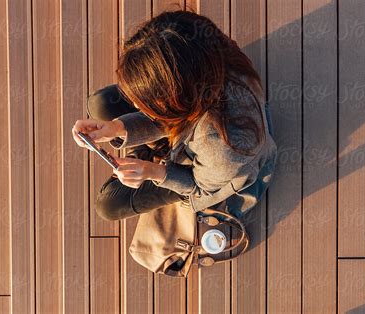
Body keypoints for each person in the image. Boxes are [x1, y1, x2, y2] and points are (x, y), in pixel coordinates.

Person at [71, 10, 278, 222]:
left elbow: (200, 188)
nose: (135, 104)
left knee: (109, 204)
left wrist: (151, 171)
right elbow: (179, 117)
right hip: (189, 121)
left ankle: (152, 151)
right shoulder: (205, 47)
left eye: (144, 100)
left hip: (204, 173)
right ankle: (154, 147)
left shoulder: (225, 149)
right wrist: (117, 128)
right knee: (101, 103)